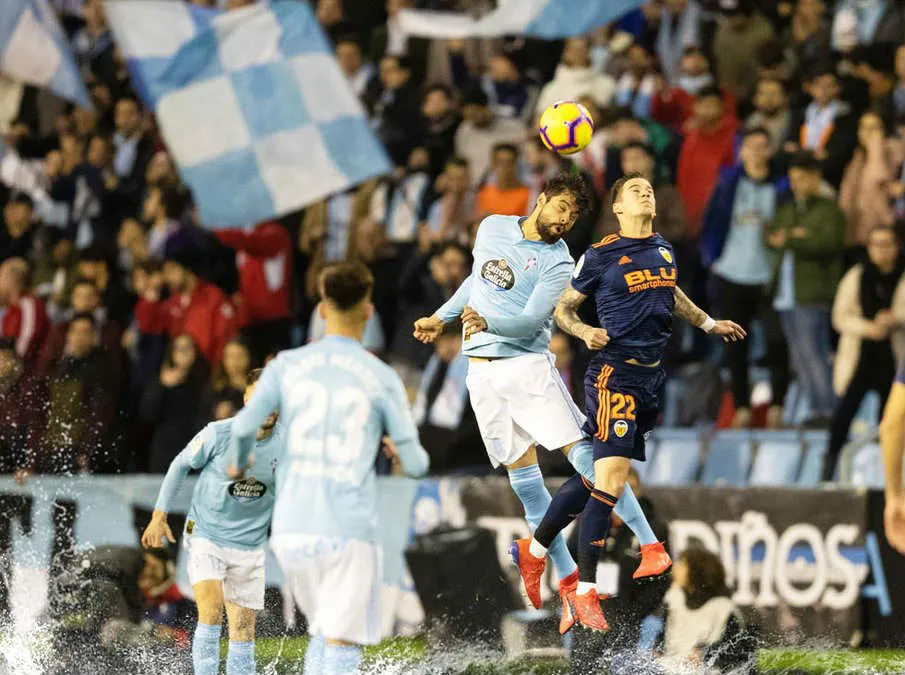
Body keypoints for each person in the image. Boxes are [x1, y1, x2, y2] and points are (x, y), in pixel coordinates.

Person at [413, 173, 672, 634]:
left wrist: (487, 320)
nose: (566, 220)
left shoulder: (558, 261)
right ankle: (568, 583)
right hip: (481, 373)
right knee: (527, 484)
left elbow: (532, 319)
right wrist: (441, 317)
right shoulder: (492, 227)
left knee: (594, 462)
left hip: (527, 368)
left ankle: (649, 544)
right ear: (543, 198)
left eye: (574, 217)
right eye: (563, 209)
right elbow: (476, 282)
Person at [511, 172, 745, 632]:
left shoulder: (663, 247)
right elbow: (564, 308)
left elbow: (671, 292)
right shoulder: (600, 255)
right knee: (613, 479)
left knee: (596, 476)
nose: (646, 191)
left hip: (649, 379)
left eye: (649, 188)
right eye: (634, 189)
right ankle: (584, 590)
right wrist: (583, 332)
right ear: (617, 208)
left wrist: (708, 323)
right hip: (613, 372)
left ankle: (534, 550)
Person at [229, 262, 429, 675]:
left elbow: (245, 423)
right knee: (341, 643)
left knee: (323, 628)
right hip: (346, 529)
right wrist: (398, 450)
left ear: (322, 308)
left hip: (292, 530)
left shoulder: (286, 363)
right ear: (369, 310)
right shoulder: (381, 375)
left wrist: (237, 462)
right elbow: (416, 465)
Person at [141, 368, 282, 675]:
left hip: (249, 544)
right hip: (206, 535)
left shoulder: (289, 444)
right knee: (211, 611)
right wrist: (159, 515)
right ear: (246, 399)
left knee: (243, 630)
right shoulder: (218, 433)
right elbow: (180, 464)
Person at [826, 226, 904, 480]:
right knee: (842, 418)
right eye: (876, 244)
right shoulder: (857, 276)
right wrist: (870, 328)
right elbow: (840, 317)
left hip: (895, 362)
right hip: (861, 358)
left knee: (892, 423)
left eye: (887, 244)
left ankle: (890, 479)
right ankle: (828, 472)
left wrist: (895, 318)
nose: (882, 250)